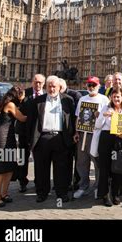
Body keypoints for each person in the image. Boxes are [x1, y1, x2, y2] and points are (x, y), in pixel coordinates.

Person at [27, 75, 76, 203]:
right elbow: (31, 123)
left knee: (62, 168)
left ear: (60, 87)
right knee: (41, 168)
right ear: (46, 86)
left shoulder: (68, 100)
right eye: (49, 86)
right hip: (42, 138)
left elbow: (73, 120)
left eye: (54, 86)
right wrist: (30, 141)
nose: (52, 88)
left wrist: (74, 134)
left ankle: (61, 193)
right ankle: (42, 193)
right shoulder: (37, 101)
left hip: (60, 138)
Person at [95, 88, 122, 206]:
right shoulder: (105, 109)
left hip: (119, 139)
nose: (116, 99)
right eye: (114, 96)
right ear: (111, 97)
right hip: (106, 139)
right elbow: (97, 125)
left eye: (118, 96)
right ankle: (104, 195)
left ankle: (115, 193)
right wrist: (103, 116)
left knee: (118, 168)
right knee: (105, 168)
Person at [73, 76, 109, 200]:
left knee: (97, 161)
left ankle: (98, 186)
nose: (91, 87)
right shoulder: (82, 99)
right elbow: (78, 116)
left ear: (99, 86)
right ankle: (83, 186)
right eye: (89, 85)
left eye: (94, 85)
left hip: (96, 134)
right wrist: (76, 132)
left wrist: (100, 116)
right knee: (82, 161)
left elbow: (107, 117)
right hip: (83, 133)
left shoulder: (104, 99)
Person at [0, 86, 27, 207]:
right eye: (23, 95)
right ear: (18, 94)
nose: (23, 97)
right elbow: (22, 118)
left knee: (10, 168)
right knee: (0, 169)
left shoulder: (6, 103)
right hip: (2, 138)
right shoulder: (11, 105)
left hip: (9, 138)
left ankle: (4, 193)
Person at [16, 73, 45, 193]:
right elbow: (15, 109)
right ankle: (22, 181)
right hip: (24, 132)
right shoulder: (24, 94)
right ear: (32, 82)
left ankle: (39, 182)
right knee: (23, 158)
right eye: (35, 82)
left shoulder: (46, 95)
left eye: (40, 82)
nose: (37, 84)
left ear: (43, 83)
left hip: (39, 133)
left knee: (39, 159)